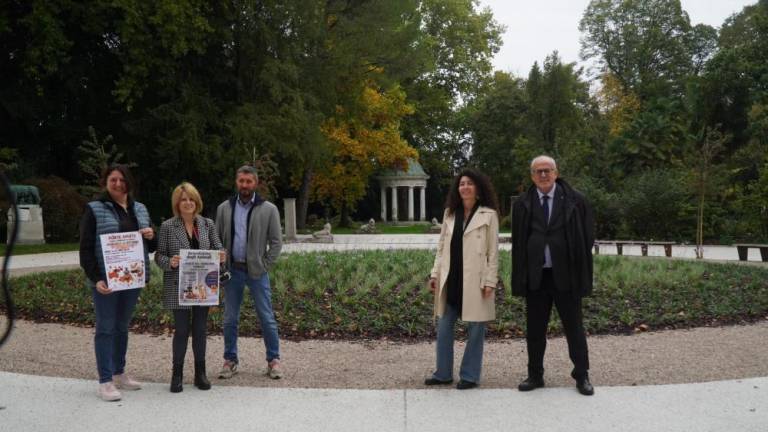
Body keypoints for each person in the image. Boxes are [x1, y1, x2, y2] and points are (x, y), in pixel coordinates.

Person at [511, 155, 596, 396]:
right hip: (537, 277)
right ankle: (535, 375)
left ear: (556, 173)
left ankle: (582, 375)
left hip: (566, 276)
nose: (543, 175)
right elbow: (519, 242)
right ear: (532, 176)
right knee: (535, 330)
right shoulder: (523, 203)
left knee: (574, 328)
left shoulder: (576, 201)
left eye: (547, 170)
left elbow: (587, 235)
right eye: (538, 171)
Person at [79, 164, 156, 401]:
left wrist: (152, 235)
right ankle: (105, 381)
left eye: (122, 180)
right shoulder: (94, 209)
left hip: (131, 278)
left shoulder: (140, 209)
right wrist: (96, 278)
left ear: (129, 182)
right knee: (105, 328)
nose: (118, 184)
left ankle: (119, 372)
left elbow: (150, 247)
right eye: (113, 179)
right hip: (107, 281)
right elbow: (85, 248)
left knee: (122, 326)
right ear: (106, 182)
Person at [426, 168, 500, 390]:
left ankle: (469, 375)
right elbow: (440, 249)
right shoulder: (450, 214)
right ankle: (443, 373)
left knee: (476, 329)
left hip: (476, 280)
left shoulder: (489, 215)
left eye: (469, 183)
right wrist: (434, 273)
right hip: (451, 278)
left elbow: (493, 252)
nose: (464, 187)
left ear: (478, 188)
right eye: (461, 184)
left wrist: (490, 281)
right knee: (445, 326)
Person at [155, 182, 226, 393]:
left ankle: (200, 373)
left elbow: (218, 246)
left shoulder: (207, 224)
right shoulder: (168, 226)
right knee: (182, 330)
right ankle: (176, 374)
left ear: (197, 202)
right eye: (183, 199)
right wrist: (171, 262)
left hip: (204, 287)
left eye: (191, 199)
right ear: (177, 203)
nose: (188, 203)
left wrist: (222, 255)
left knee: (200, 330)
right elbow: (159, 256)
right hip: (179, 286)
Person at [215, 165, 283, 379]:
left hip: (256, 272)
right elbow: (216, 239)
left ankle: (273, 361)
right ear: (237, 182)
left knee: (266, 317)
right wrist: (219, 259)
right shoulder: (224, 208)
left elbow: (276, 242)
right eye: (241, 181)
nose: (245, 185)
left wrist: (264, 265)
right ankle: (230, 360)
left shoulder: (269, 209)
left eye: (249, 181)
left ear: (256, 183)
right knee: (229, 318)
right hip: (232, 271)